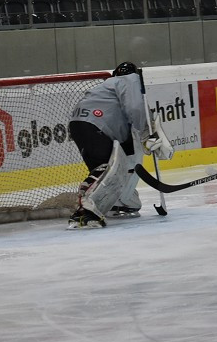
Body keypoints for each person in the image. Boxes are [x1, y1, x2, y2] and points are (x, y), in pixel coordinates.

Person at [67, 61, 174, 228]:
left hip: (79, 124)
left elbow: (126, 136)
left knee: (104, 170)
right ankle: (85, 212)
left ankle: (118, 202)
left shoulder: (108, 89)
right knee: (108, 170)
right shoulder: (130, 79)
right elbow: (136, 108)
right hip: (95, 123)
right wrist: (147, 133)